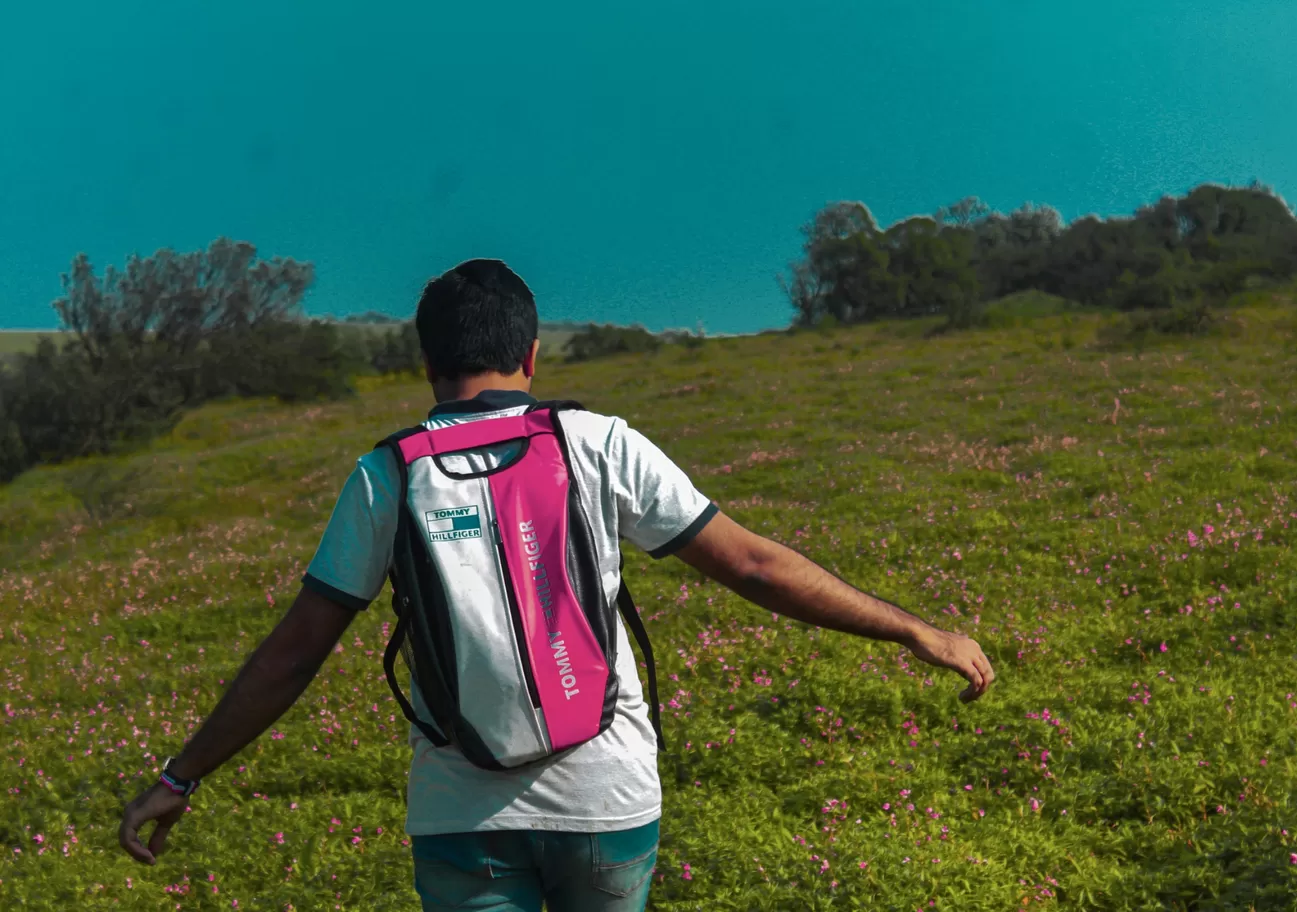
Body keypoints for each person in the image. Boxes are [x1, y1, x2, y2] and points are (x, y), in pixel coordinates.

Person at [118, 259, 996, 911]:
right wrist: (916, 629)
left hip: (461, 814)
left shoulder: (386, 476)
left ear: (427, 364)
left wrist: (183, 775)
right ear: (531, 354)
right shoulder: (598, 441)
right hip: (605, 797)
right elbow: (756, 566)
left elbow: (292, 654)